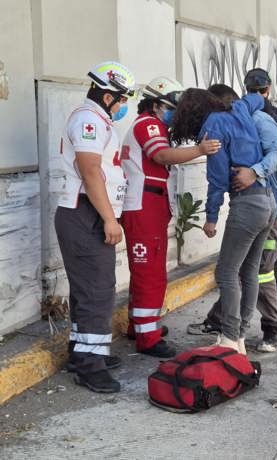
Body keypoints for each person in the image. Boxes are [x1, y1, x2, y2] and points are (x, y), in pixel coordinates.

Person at [186, 83, 277, 352]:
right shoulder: (244, 111)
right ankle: (239, 338)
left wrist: (211, 217)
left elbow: (216, 178)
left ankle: (229, 336)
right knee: (249, 271)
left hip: (248, 205)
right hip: (267, 202)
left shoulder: (215, 126)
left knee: (226, 272)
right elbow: (254, 98)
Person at [120, 77, 221, 358]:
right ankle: (147, 337)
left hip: (149, 205)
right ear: (156, 105)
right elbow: (162, 155)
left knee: (148, 270)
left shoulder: (151, 125)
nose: (174, 115)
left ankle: (140, 325)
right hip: (143, 206)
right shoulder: (148, 124)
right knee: (149, 272)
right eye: (170, 109)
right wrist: (200, 150)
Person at [56, 61, 136, 393]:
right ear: (107, 96)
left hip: (86, 214)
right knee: (98, 290)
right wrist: (109, 218)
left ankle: (82, 352)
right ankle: (90, 366)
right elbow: (90, 171)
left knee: (88, 289)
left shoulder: (96, 120)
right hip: (86, 214)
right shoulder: (90, 120)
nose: (123, 107)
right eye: (121, 100)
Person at [243, 68, 277, 292]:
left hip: (254, 180)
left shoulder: (242, 111)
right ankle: (268, 274)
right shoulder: (266, 114)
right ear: (268, 88)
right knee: (272, 232)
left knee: (266, 233)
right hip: (267, 178)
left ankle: (269, 271)